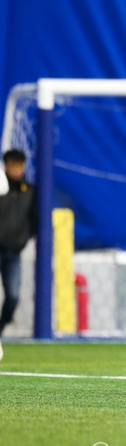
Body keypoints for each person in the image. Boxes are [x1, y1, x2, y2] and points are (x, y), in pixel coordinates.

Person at [0, 149, 38, 362]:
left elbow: (34, 219)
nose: (16, 169)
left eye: (19, 165)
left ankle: (1, 327)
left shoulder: (29, 190)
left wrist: (23, 238)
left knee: (13, 295)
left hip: (13, 250)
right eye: (12, 165)